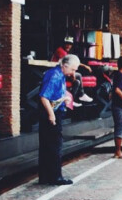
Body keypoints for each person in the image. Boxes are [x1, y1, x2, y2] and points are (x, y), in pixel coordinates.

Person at [38, 54, 80, 185]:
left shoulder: (58, 74)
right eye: (73, 69)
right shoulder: (55, 75)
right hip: (52, 113)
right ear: (65, 66)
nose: (73, 72)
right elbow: (44, 96)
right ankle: (56, 176)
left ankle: (45, 176)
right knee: (54, 145)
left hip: (54, 111)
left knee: (47, 145)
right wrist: (51, 115)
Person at [51, 36, 92, 106]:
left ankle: (71, 100)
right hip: (56, 74)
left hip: (62, 73)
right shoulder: (61, 51)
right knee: (78, 75)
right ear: (64, 44)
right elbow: (68, 65)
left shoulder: (66, 53)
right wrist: (73, 75)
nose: (68, 46)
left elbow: (72, 63)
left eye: (70, 44)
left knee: (77, 82)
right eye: (67, 43)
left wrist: (84, 66)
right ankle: (80, 95)